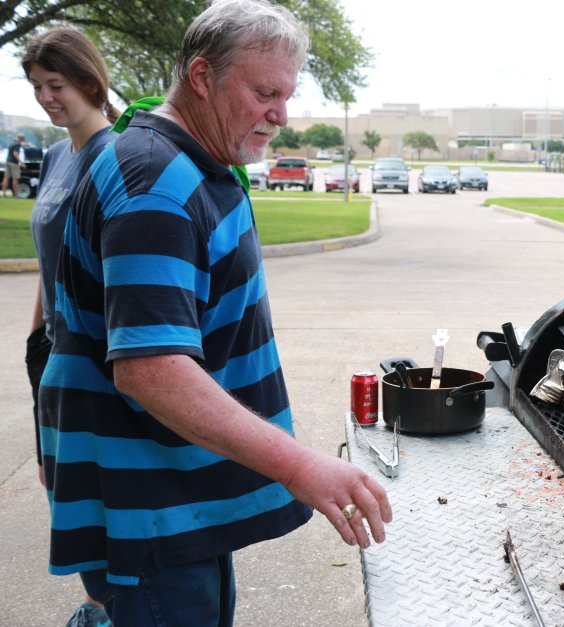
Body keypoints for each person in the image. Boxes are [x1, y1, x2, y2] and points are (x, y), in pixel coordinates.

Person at [38, 0, 392, 625]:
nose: (279, 115)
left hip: (179, 492)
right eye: (263, 92)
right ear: (202, 77)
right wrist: (300, 464)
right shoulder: (156, 185)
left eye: (286, 95)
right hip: (149, 509)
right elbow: (151, 370)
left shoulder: (189, 161)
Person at [22, 27, 120, 627]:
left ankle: (104, 606)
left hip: (99, 357)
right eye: (36, 87)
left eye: (55, 85)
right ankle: (99, 601)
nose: (46, 98)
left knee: (96, 493)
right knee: (55, 482)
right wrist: (35, 343)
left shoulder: (116, 156)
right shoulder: (58, 156)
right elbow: (47, 253)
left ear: (88, 79)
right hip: (53, 351)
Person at [3, 132, 25, 197]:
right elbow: (15, 153)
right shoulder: (17, 144)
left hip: (7, 161)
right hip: (14, 163)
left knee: (6, 178)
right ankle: (16, 195)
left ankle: (4, 194)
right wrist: (21, 162)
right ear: (21, 139)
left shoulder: (11, 143)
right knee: (15, 178)